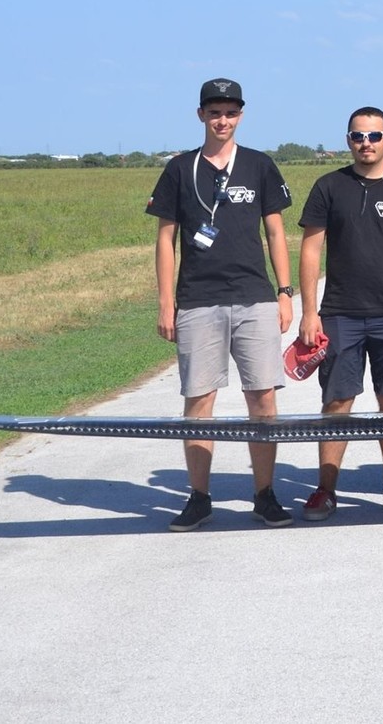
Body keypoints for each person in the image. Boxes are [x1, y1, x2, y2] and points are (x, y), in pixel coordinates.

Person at [146, 78, 295, 531]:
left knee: (263, 400)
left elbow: (275, 232)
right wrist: (166, 303)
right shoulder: (180, 169)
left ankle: (265, 495)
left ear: (241, 116)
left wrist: (285, 292)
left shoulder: (259, 165)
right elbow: (166, 239)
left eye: (230, 113)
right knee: (199, 400)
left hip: (254, 298)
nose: (222, 120)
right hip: (198, 300)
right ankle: (199, 497)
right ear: (201, 116)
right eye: (214, 113)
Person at [296, 106, 383, 520]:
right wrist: (309, 312)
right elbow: (311, 250)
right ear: (348, 141)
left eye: (374, 136)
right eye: (358, 136)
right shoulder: (329, 186)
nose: (366, 143)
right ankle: (325, 491)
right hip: (340, 313)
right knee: (337, 400)